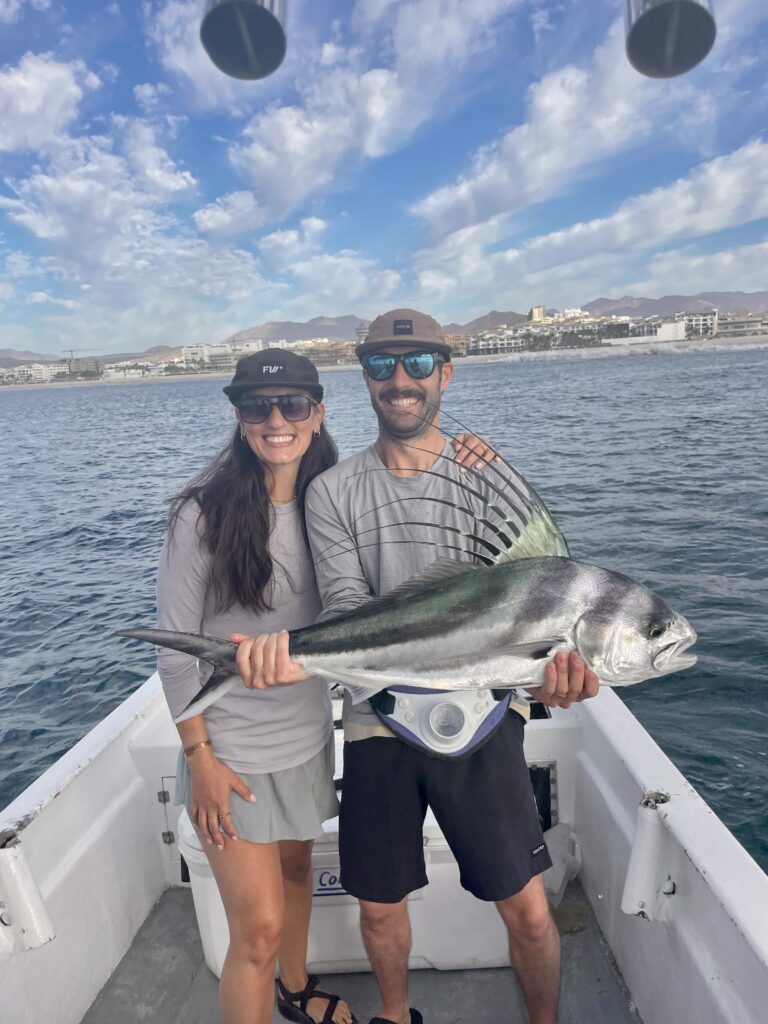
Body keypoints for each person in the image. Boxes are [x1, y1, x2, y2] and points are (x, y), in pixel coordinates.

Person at [234, 310, 600, 1024]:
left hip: (487, 713)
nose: (400, 381)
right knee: (377, 908)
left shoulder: (489, 479)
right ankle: (397, 1019)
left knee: (527, 910)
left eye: (419, 364)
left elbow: (547, 600)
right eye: (381, 366)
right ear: (364, 378)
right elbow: (344, 604)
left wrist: (560, 669)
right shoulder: (332, 492)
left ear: (446, 372)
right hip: (378, 721)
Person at [156, 349, 356, 1024]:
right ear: (239, 419)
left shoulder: (333, 501)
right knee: (257, 932)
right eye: (257, 407)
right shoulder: (200, 518)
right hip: (229, 757)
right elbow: (176, 657)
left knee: (300, 875)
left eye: (292, 405)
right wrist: (200, 761)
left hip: (303, 740)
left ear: (318, 413)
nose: (276, 420)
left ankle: (296, 993)